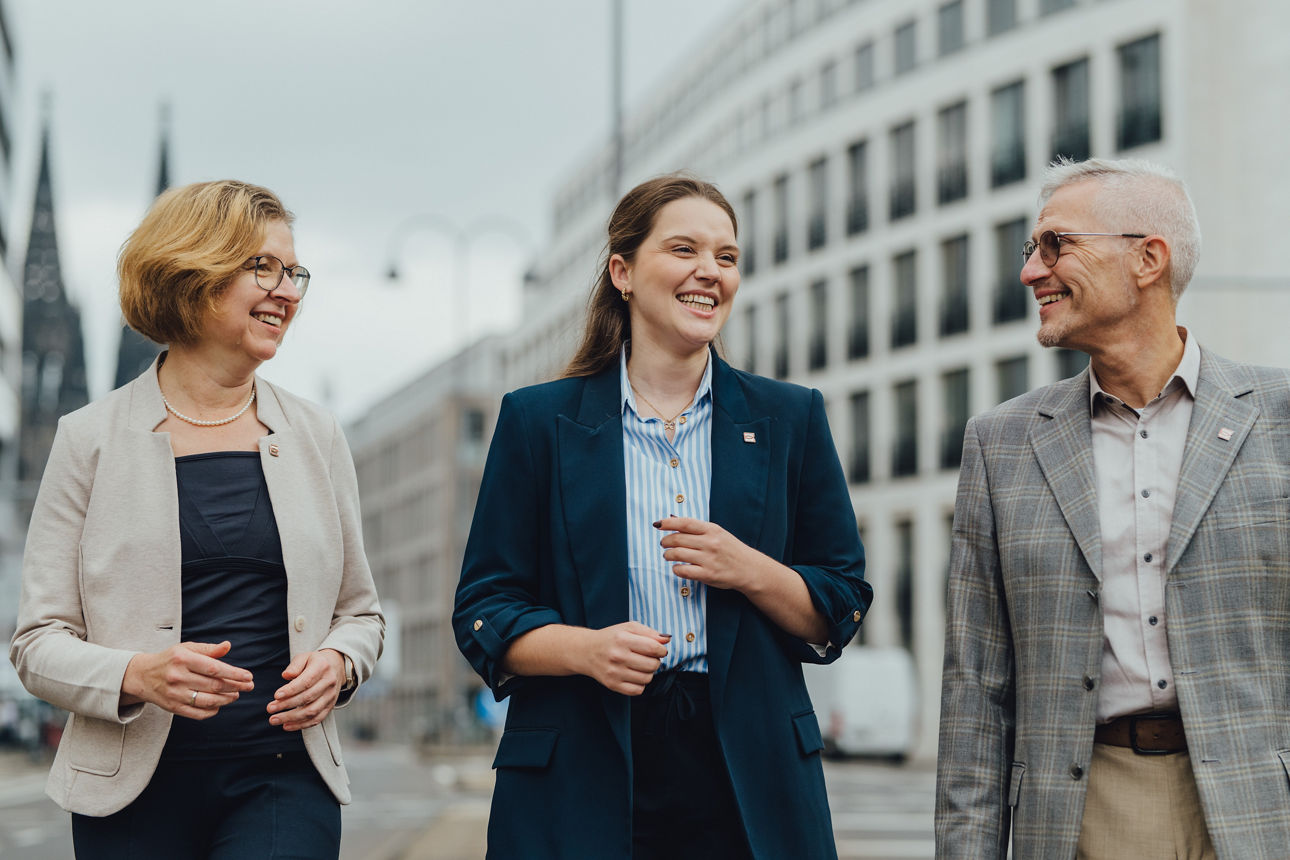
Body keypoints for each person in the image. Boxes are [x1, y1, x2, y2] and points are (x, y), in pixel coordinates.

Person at [453, 173, 871, 859]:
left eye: (727, 257)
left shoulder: (791, 418)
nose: (709, 272)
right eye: (684, 250)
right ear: (623, 271)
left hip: (749, 775)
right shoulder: (536, 423)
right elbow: (485, 610)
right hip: (578, 764)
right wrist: (586, 650)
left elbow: (841, 604)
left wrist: (748, 570)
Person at [10, 180, 384, 859]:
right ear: (194, 274)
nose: (289, 291)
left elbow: (361, 614)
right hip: (129, 794)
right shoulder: (87, 438)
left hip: (284, 781)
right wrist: (136, 675)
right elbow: (38, 643)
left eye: (294, 272)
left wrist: (338, 661)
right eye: (262, 267)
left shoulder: (316, 435)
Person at [936, 157, 1290, 859]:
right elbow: (975, 688)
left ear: (1147, 259)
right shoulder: (1000, 442)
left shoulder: (1280, 419)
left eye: (1056, 244)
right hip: (1080, 813)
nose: (1031, 271)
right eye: (1032, 249)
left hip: (1261, 807)